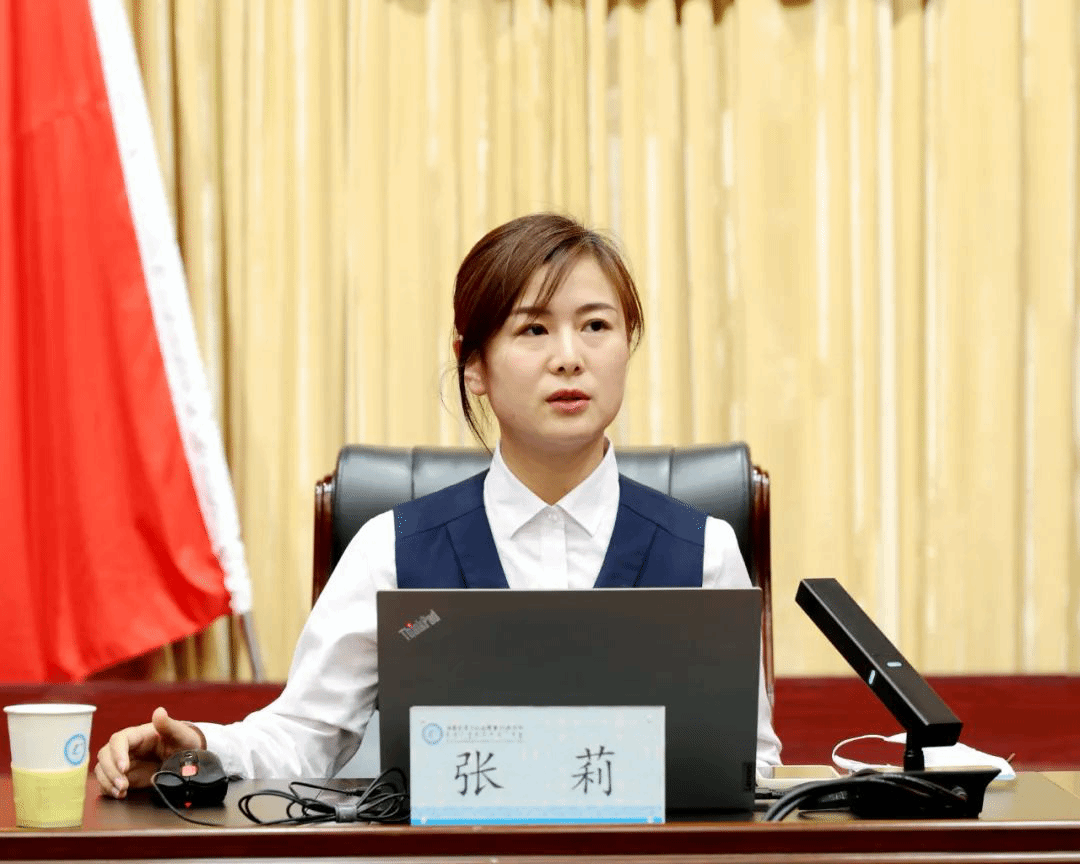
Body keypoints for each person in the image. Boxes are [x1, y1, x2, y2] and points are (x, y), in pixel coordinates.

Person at [94, 212, 782, 798]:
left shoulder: (705, 550)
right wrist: (201, 750)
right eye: (533, 330)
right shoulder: (391, 549)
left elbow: (749, 764)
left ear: (626, 346)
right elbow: (306, 734)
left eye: (596, 325)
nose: (569, 357)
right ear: (473, 363)